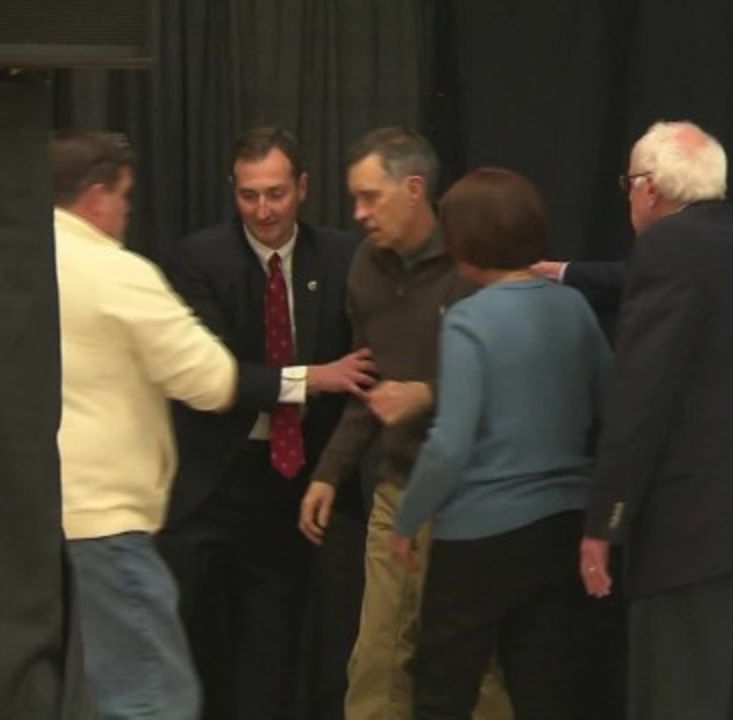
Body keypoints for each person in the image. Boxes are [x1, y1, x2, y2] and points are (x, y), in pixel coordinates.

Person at [579, 121, 733, 720]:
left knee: (678, 700)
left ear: (651, 188)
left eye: (631, 184)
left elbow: (642, 397)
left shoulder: (669, 246)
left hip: (692, 532)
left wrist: (606, 520)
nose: (630, 197)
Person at [156, 127, 372, 720]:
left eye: (275, 193)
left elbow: (364, 364)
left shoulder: (345, 257)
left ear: (302, 188)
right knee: (193, 643)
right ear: (234, 191)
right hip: (212, 482)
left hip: (296, 480)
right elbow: (218, 374)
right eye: (249, 195)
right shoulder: (197, 259)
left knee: (273, 650)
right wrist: (311, 378)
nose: (263, 209)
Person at [297, 128, 513, 720]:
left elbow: (517, 380)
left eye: (370, 197)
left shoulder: (476, 258)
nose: (358, 214)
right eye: (355, 199)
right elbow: (367, 384)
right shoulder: (365, 267)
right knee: (376, 661)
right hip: (398, 489)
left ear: (414, 189)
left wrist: (430, 394)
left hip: (474, 493)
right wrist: (329, 474)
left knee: (474, 662)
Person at [388, 168, 612, 718]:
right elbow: (610, 409)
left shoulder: (468, 320)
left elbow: (450, 444)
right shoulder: (575, 307)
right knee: (547, 691)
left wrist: (408, 517)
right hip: (563, 527)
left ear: (464, 240)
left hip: (479, 539)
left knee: (444, 689)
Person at [52, 129, 237, 719]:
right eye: (125, 197)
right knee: (152, 699)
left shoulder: (5, 265)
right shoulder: (116, 272)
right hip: (105, 523)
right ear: (98, 196)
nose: (128, 212)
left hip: (21, 528)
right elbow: (213, 380)